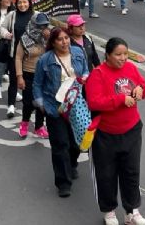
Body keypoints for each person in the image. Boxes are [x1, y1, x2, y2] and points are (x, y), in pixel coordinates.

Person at [85, 37, 145, 225]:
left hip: (131, 130)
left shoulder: (131, 68)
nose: (123, 58)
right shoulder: (98, 74)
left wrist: (140, 90)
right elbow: (94, 102)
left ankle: (132, 211)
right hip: (106, 134)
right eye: (118, 55)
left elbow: (143, 86)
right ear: (107, 55)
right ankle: (109, 211)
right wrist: (120, 100)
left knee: (131, 171)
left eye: (125, 54)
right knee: (106, 174)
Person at [34, 27, 90, 197]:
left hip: (77, 105)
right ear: (53, 42)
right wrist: (41, 104)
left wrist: (86, 77)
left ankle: (71, 164)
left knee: (76, 143)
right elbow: (37, 84)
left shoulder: (78, 52)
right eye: (60, 39)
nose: (64, 42)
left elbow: (86, 70)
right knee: (60, 145)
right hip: (55, 108)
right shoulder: (45, 60)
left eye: (66, 38)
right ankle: (63, 183)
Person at [0, 0, 35, 118]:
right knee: (14, 80)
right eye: (19, 2)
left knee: (29, 82)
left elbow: (44, 30)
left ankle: (28, 106)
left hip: (31, 56)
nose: (22, 5)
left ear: (29, 3)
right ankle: (11, 106)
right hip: (14, 54)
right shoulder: (12, 15)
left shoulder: (36, 16)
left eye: (25, 2)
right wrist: (7, 34)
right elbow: (2, 28)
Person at [16, 11, 51, 140]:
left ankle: (39, 127)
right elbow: (18, 58)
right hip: (29, 74)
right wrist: (19, 76)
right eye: (40, 26)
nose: (42, 29)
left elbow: (57, 51)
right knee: (28, 102)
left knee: (41, 102)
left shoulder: (49, 38)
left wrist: (48, 39)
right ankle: (24, 124)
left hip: (45, 75)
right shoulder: (25, 38)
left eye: (45, 25)